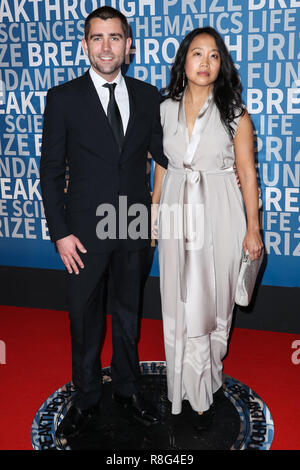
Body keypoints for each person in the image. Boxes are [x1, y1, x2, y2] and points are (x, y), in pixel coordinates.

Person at [40, 6, 168, 444]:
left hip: (132, 221)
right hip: (83, 230)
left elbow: (167, 156)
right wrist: (60, 231)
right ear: (85, 45)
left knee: (129, 314)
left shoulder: (150, 96)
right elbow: (51, 170)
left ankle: (129, 388)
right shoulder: (63, 98)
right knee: (84, 317)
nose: (106, 46)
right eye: (97, 37)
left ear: (129, 45)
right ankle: (87, 395)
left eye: (115, 37)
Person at [152, 27, 263, 421]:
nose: (205, 62)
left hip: (221, 211)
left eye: (213, 56)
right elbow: (163, 165)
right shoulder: (164, 108)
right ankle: (179, 385)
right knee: (176, 302)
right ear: (184, 61)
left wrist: (253, 228)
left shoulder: (235, 113)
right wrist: (154, 209)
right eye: (197, 54)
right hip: (175, 213)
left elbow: (248, 175)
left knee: (213, 305)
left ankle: (205, 383)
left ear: (222, 64)